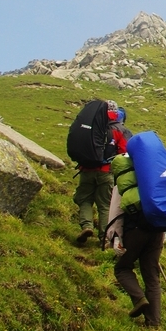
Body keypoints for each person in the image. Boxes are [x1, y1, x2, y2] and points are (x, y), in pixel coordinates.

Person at [72, 101, 124, 245]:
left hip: (86, 170)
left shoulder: (90, 126)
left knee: (84, 199)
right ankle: (104, 238)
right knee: (105, 205)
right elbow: (123, 153)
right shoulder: (118, 130)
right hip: (106, 172)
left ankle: (87, 226)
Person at [114, 203, 163, 328]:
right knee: (152, 276)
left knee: (122, 268)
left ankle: (139, 298)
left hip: (135, 228)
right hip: (158, 229)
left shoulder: (125, 184)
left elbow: (117, 208)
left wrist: (115, 236)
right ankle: (153, 324)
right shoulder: (159, 183)